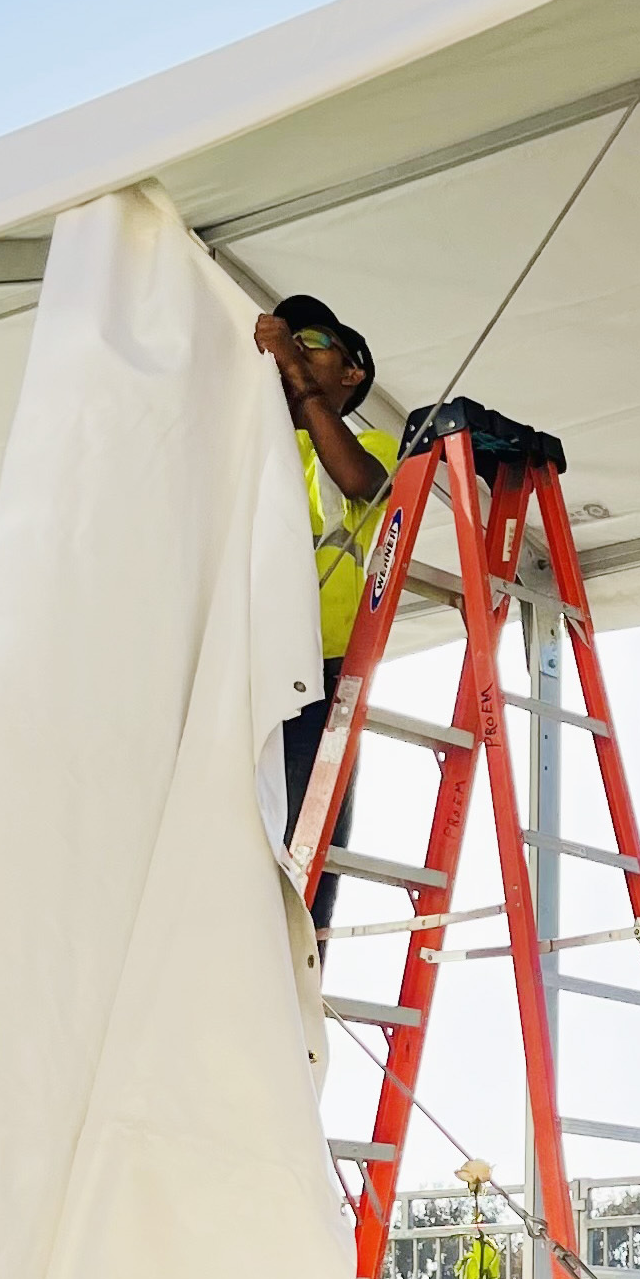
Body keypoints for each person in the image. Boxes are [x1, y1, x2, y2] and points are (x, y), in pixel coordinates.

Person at [256, 294, 399, 928]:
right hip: (258, 663)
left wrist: (287, 362)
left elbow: (360, 480)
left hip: (321, 672)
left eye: (314, 340)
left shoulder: (370, 442)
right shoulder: (261, 445)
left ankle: (301, 986)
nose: (299, 346)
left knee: (304, 849)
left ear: (352, 373)